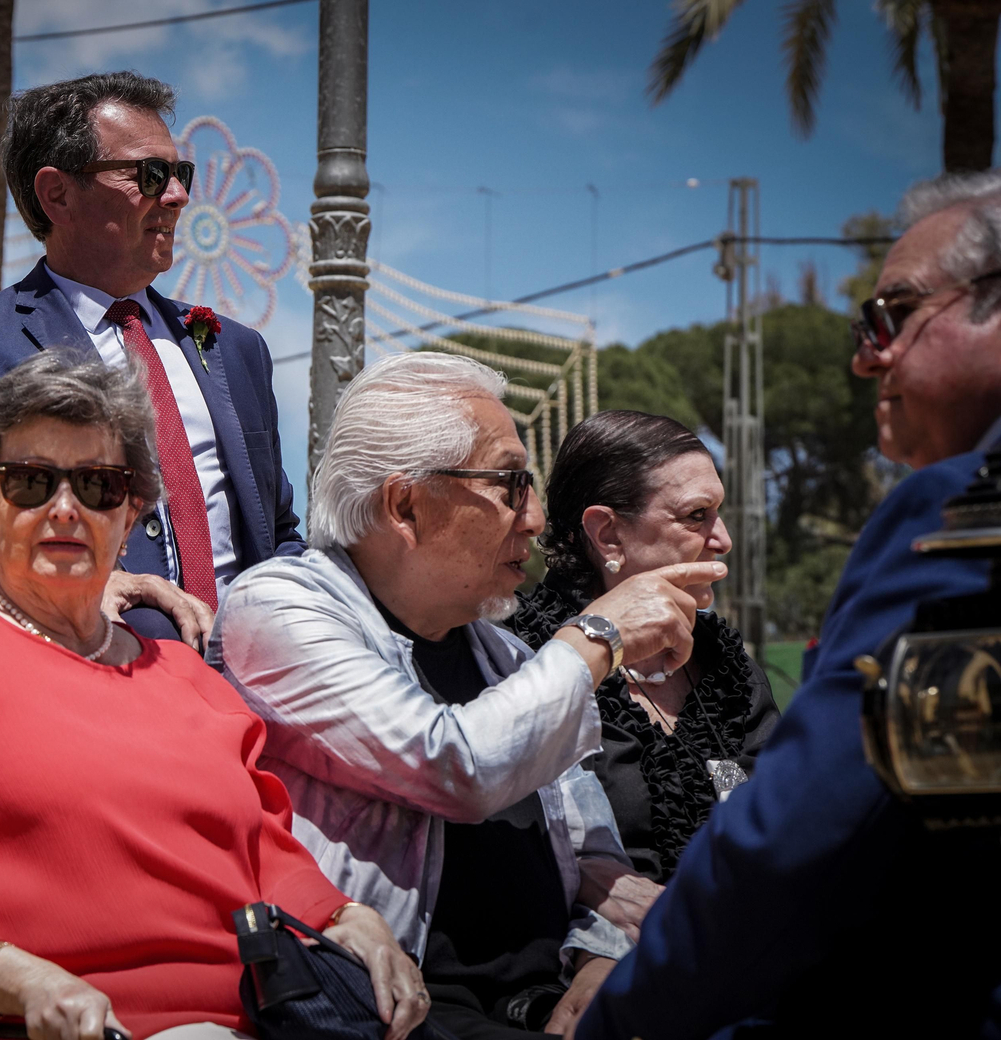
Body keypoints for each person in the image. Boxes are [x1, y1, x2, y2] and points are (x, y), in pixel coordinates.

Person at [0, 352, 427, 1040]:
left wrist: (349, 917)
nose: (66, 508)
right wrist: (26, 980)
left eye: (100, 486)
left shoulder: (188, 674)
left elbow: (265, 855)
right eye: (31, 483)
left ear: (130, 519)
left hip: (263, 1020)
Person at [575, 172, 1001, 1039]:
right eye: (697, 518)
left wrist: (624, 1021)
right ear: (605, 536)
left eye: (891, 317)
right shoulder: (533, 667)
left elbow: (801, 840)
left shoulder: (960, 510)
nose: (864, 356)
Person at [209, 353, 725, 1038]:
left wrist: (604, 957)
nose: (536, 518)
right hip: (397, 1007)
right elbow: (452, 765)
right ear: (405, 504)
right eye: (511, 485)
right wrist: (598, 634)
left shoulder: (503, 653)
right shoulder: (277, 608)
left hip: (541, 1001)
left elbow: (597, 858)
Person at [0, 72, 300, 645]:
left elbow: (275, 530)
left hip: (252, 681)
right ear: (57, 195)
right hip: (89, 667)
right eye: (149, 175)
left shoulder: (235, 348)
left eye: (181, 174)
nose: (176, 195)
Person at [507, 411, 780, 882]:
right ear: (608, 534)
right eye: (696, 516)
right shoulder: (518, 657)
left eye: (718, 512)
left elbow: (777, 811)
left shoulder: (724, 665)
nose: (724, 539)